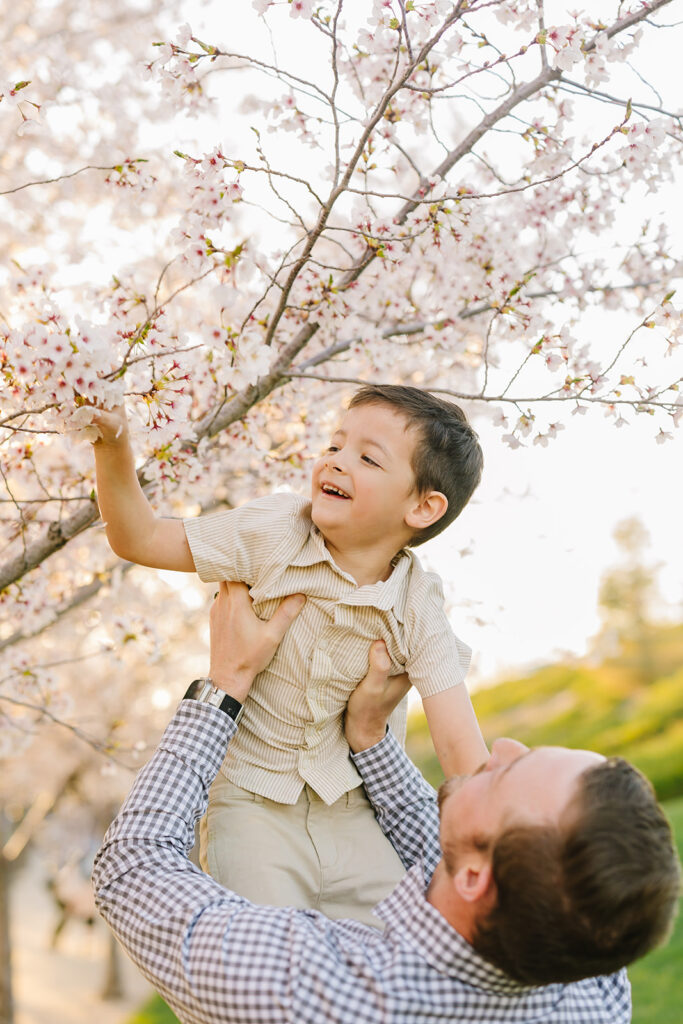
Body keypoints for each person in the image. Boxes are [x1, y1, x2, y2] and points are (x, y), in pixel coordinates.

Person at [93, 582, 680, 1024]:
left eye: (507, 774)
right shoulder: (592, 980)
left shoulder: (310, 991)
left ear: (479, 878)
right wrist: (370, 737)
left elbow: (133, 867)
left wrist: (225, 682)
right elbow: (469, 856)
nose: (500, 746)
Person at [91, 384, 489, 924]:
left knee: (401, 950)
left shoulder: (419, 605)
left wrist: (497, 844)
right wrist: (114, 447)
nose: (336, 462)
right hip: (252, 806)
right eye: (334, 446)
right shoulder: (273, 532)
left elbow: (460, 752)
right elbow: (139, 538)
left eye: (368, 458)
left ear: (423, 506)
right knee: (268, 953)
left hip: (356, 814)